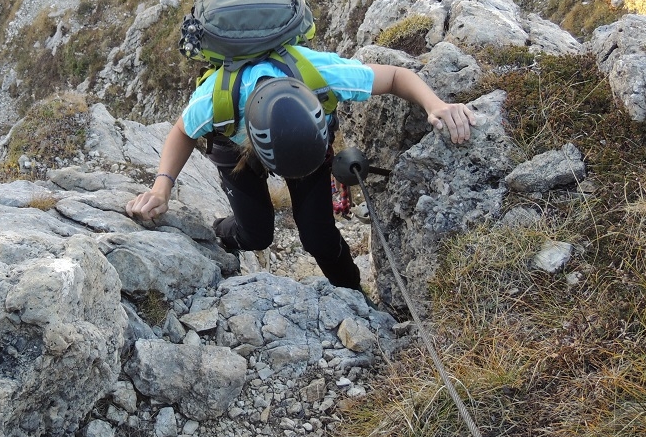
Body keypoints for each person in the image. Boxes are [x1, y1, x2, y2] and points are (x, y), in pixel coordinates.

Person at [125, 43, 476, 291]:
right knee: (255, 235)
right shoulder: (215, 102)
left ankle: (353, 292)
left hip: (309, 148)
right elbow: (182, 131)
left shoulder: (323, 75)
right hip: (234, 147)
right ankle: (219, 233)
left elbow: (397, 76)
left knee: (319, 237)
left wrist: (436, 104)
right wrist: (161, 187)